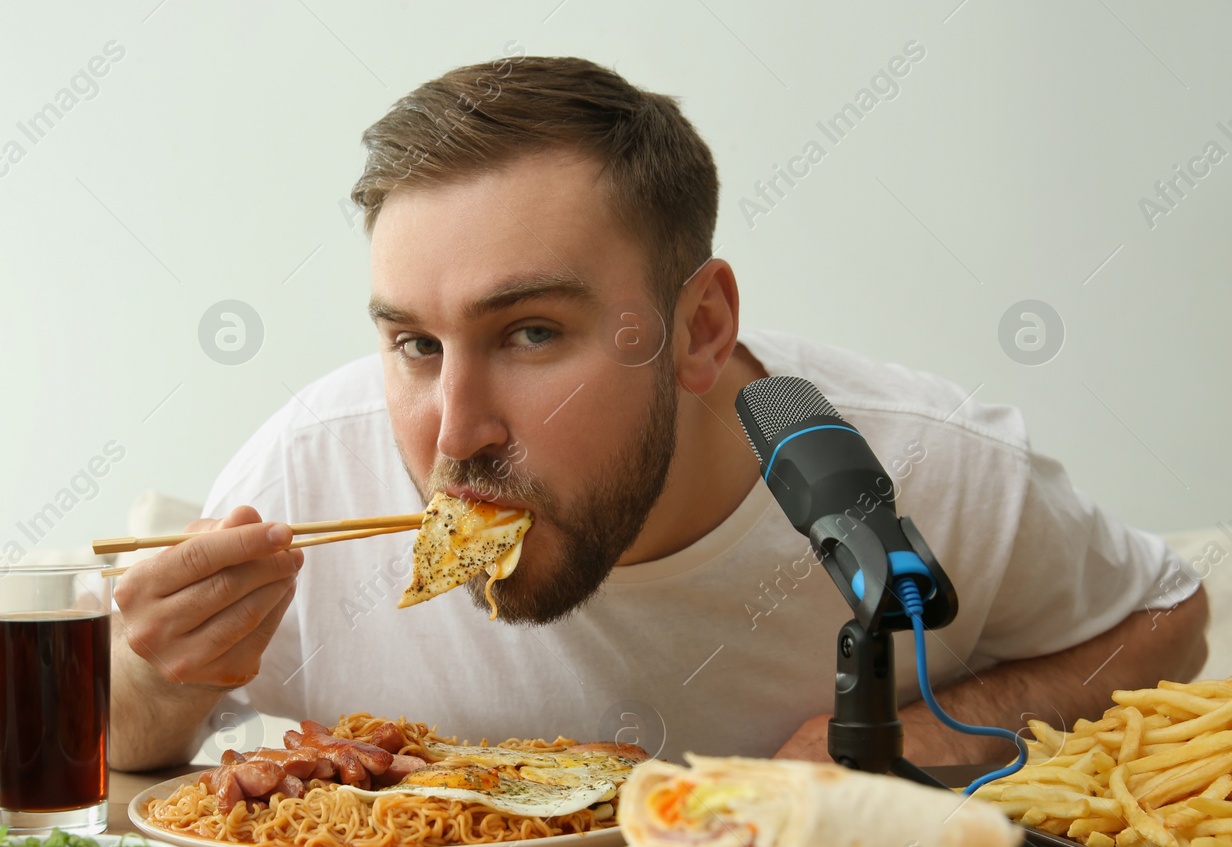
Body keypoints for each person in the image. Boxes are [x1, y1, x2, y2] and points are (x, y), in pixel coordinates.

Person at [108, 56, 1207, 771]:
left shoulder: (909, 462)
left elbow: (1168, 620)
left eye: (531, 332)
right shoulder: (306, 472)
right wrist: (155, 674)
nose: (454, 435)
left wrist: (919, 735)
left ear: (700, 329)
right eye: (414, 344)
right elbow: (124, 750)